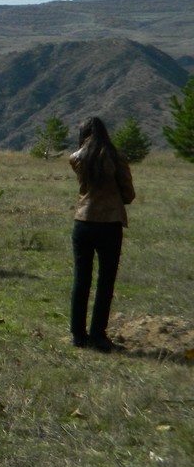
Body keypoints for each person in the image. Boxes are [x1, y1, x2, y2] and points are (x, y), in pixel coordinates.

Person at [69, 116, 136, 351]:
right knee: (105, 281)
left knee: (81, 279)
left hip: (82, 221)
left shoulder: (77, 158)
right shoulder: (117, 157)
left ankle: (78, 335)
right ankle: (98, 335)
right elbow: (129, 194)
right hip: (109, 223)